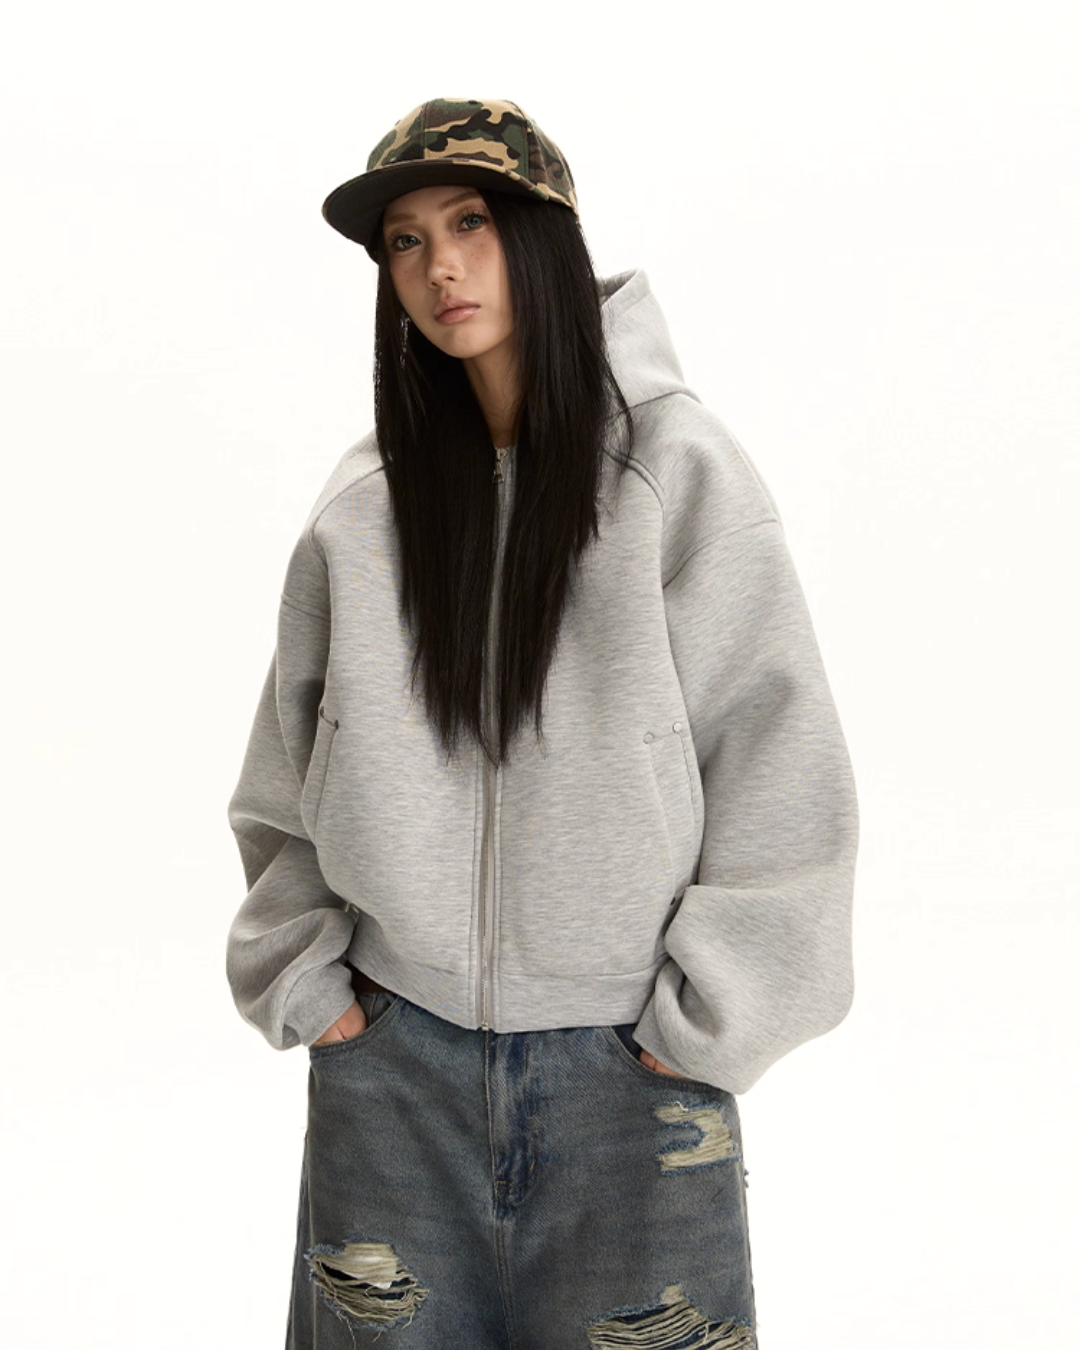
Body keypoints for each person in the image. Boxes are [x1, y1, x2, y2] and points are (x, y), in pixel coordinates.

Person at [225, 97, 859, 1348]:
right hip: (394, 1067)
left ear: (544, 237)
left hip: (629, 1073)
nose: (439, 268)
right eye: (405, 241)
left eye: (470, 222)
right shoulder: (365, 508)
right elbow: (285, 775)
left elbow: (775, 753)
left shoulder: (678, 474)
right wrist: (312, 987)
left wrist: (713, 1016)